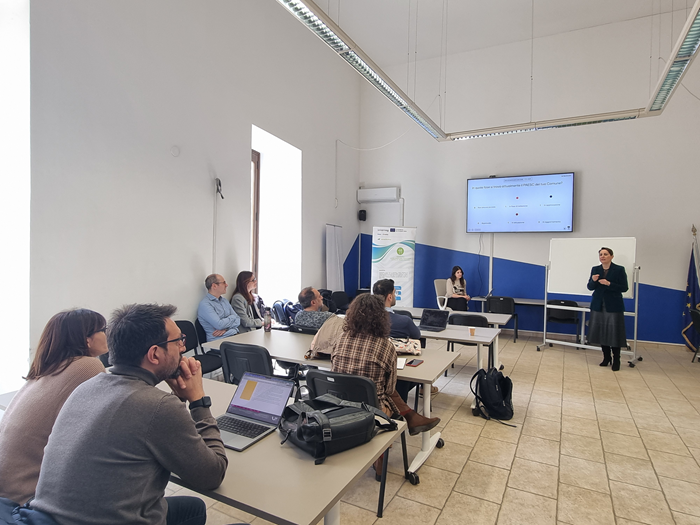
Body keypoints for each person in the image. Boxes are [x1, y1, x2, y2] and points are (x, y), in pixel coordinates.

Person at [30, 303, 228, 525]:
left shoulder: (86, 387)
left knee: (193, 508)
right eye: (178, 341)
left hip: (50, 518)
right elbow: (212, 475)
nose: (182, 347)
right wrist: (198, 401)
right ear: (154, 354)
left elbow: (147, 426)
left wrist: (177, 397)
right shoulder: (159, 407)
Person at [0, 309, 107, 505]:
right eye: (103, 329)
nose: (106, 335)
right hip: (26, 497)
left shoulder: (46, 370)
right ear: (87, 339)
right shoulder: (88, 366)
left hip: (7, 489)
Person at [331, 294, 440, 478]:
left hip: (339, 405)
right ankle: (384, 451)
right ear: (381, 318)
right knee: (384, 391)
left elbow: (334, 372)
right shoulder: (384, 346)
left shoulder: (340, 339)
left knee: (374, 386)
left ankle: (412, 418)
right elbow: (389, 389)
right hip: (372, 409)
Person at [372, 279, 437, 397]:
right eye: (394, 293)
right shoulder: (404, 321)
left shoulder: (365, 320)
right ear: (390, 297)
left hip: (373, 371)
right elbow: (417, 336)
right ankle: (424, 387)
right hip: (400, 373)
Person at [587, 247, 628, 371]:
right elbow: (590, 287)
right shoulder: (595, 269)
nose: (603, 256)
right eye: (601, 254)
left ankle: (616, 359)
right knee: (601, 332)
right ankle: (606, 357)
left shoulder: (619, 269)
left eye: (605, 254)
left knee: (614, 333)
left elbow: (624, 287)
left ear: (611, 256)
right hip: (598, 304)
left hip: (613, 305)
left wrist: (609, 284)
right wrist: (593, 281)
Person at [197, 273, 241, 341]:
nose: (226, 285)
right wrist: (232, 317)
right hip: (219, 340)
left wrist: (226, 328)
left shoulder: (224, 301)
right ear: (214, 286)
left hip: (234, 336)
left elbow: (238, 319)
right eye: (224, 283)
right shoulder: (205, 305)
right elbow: (219, 325)